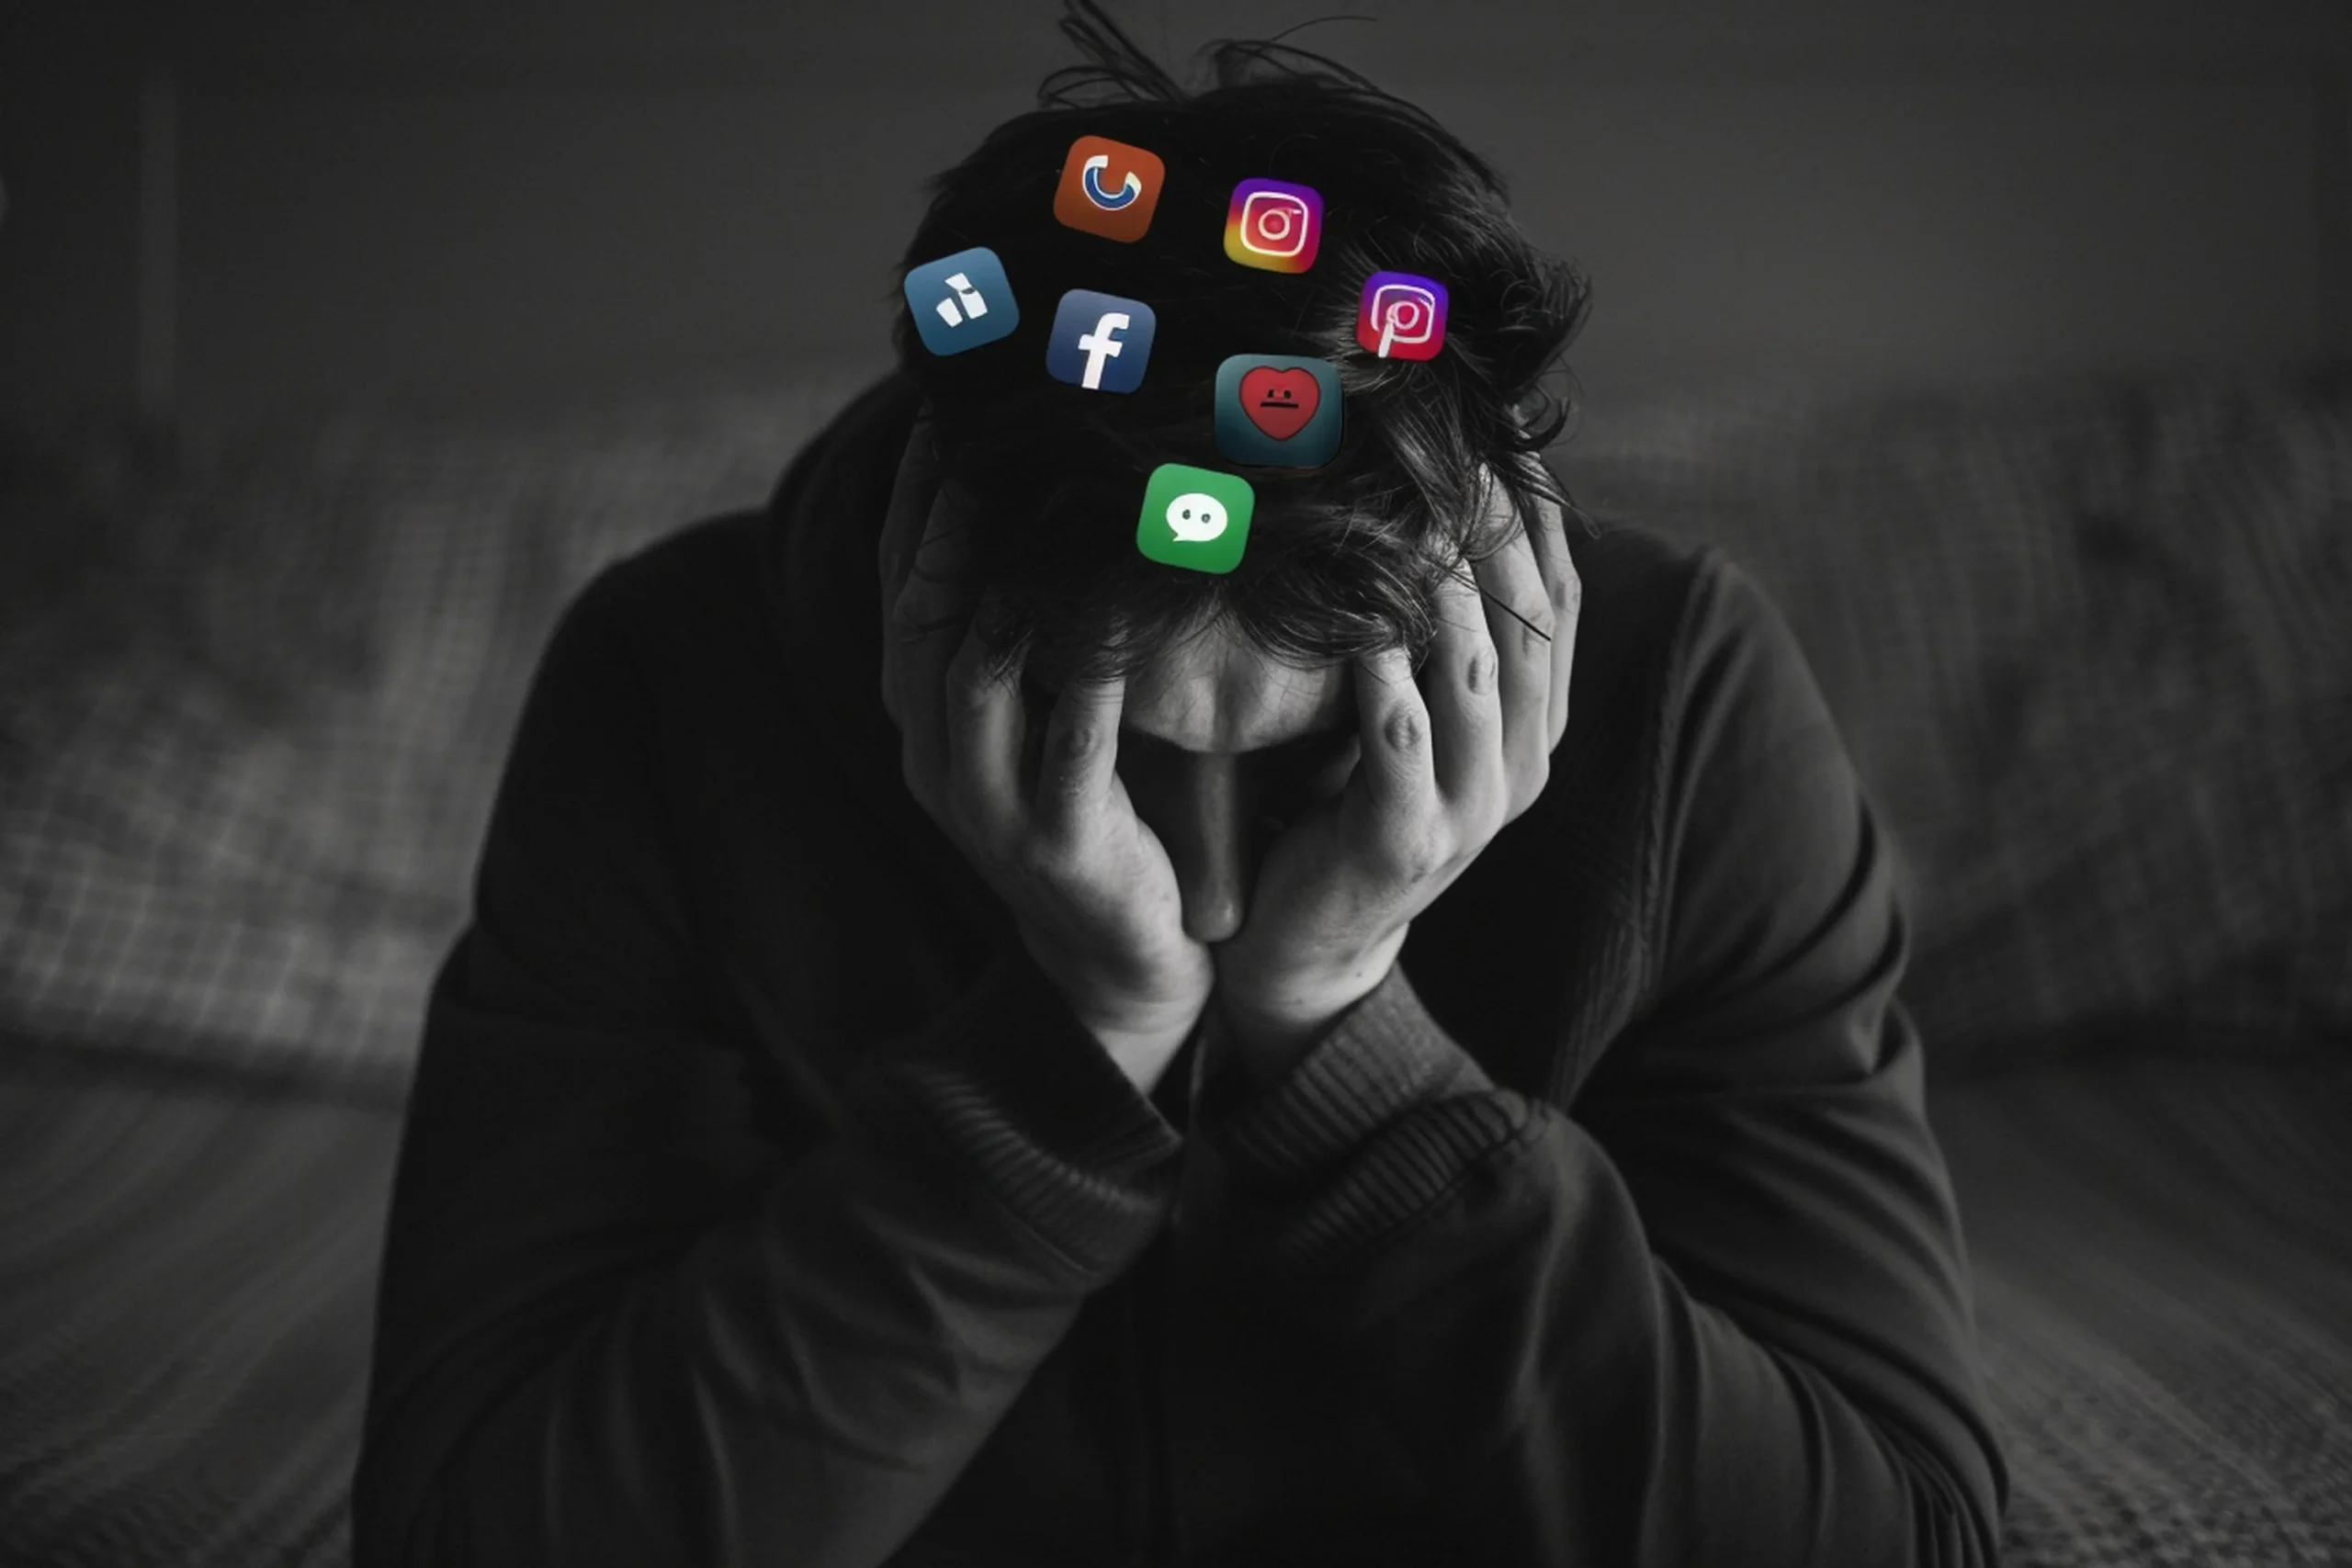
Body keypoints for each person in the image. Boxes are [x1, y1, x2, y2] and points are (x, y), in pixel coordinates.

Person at [351, 8, 2008, 1564]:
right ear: (919, 588)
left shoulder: (1690, 702)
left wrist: (1357, 1048)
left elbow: (1908, 1533)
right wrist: (1071, 1046)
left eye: (1314, 756)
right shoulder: (671, 679)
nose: (1212, 903)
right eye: (1112, 745)